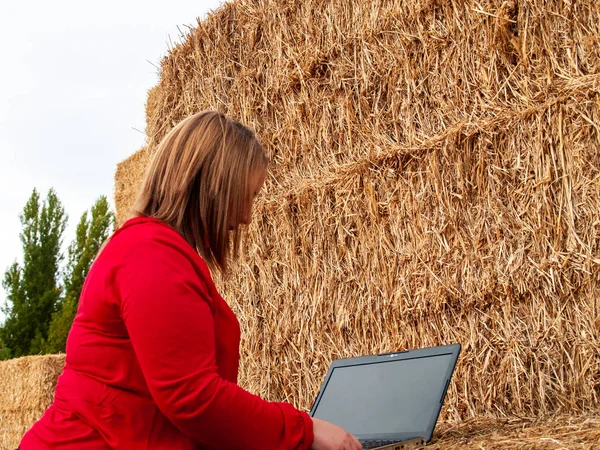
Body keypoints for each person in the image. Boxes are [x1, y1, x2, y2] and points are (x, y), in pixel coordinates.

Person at [20, 111, 362, 450]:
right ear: (215, 186)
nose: (246, 216)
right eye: (248, 195)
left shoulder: (150, 249)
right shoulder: (151, 253)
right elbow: (191, 396)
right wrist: (305, 431)